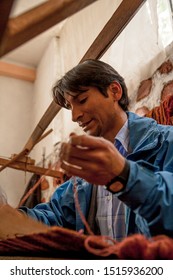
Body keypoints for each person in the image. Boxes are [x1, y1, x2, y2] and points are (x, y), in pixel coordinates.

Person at [19, 59, 173, 241]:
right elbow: (56, 215)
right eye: (70, 107)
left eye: (82, 100)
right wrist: (16, 218)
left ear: (115, 91)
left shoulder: (166, 142)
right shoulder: (86, 171)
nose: (75, 116)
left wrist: (124, 175)